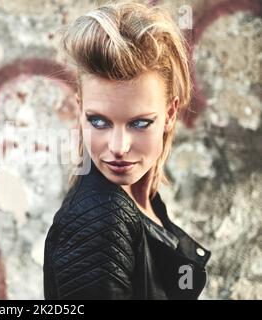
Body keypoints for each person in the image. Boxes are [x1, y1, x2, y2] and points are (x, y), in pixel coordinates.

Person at [43, 1, 211, 299]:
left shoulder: (143, 200)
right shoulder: (101, 220)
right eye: (99, 121)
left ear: (170, 114)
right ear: (80, 109)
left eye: (139, 123)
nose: (118, 148)